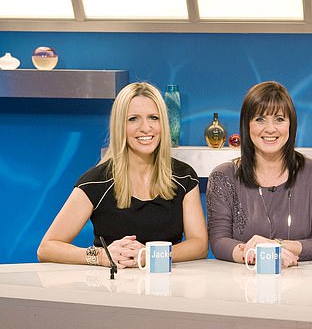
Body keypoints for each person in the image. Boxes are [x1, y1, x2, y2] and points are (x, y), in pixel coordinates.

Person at [38, 82, 208, 268]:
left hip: (167, 286)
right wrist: (102, 256)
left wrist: (149, 256)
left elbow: (199, 245)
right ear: (120, 125)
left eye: (153, 117)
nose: (146, 128)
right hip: (111, 288)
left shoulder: (184, 177)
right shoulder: (96, 181)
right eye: (133, 119)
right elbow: (47, 248)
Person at [207, 81, 312, 267]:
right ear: (247, 125)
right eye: (260, 119)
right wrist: (256, 254)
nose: (270, 129)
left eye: (279, 119)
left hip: (304, 287)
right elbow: (219, 242)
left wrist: (275, 246)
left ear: (291, 124)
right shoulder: (223, 177)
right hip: (243, 286)